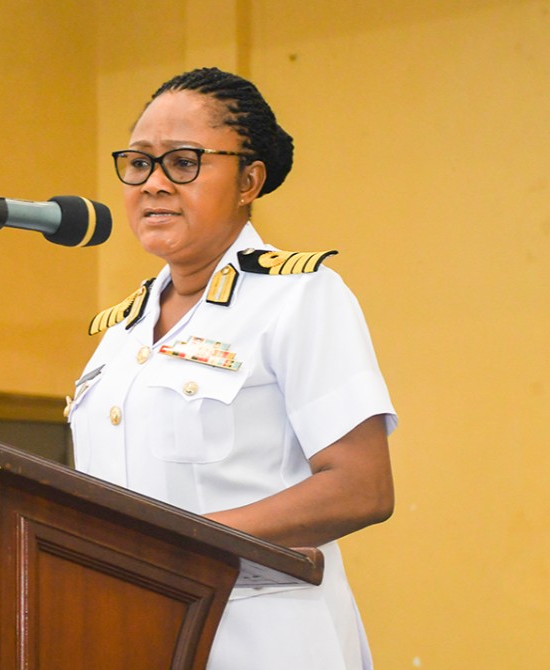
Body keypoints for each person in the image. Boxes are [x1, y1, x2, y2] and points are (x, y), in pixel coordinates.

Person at [67, 66, 396, 669]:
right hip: (134, 633)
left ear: (249, 181)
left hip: (263, 639)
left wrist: (178, 539)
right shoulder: (119, 332)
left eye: (183, 162)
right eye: (138, 163)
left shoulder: (299, 296)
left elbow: (362, 487)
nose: (154, 184)